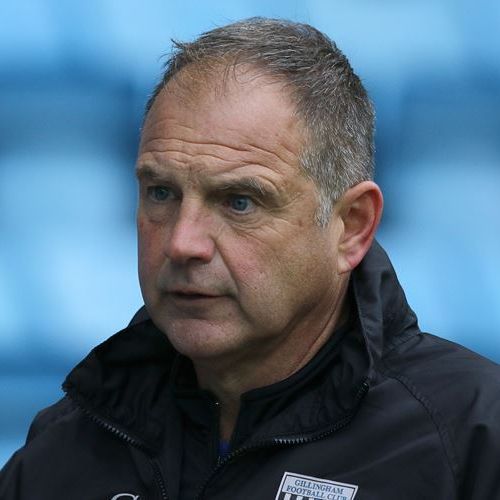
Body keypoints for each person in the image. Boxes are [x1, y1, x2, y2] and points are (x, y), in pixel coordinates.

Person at [1, 17, 499, 500]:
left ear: (351, 227)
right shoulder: (64, 448)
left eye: (240, 202)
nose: (182, 243)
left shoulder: (472, 438)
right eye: (161, 193)